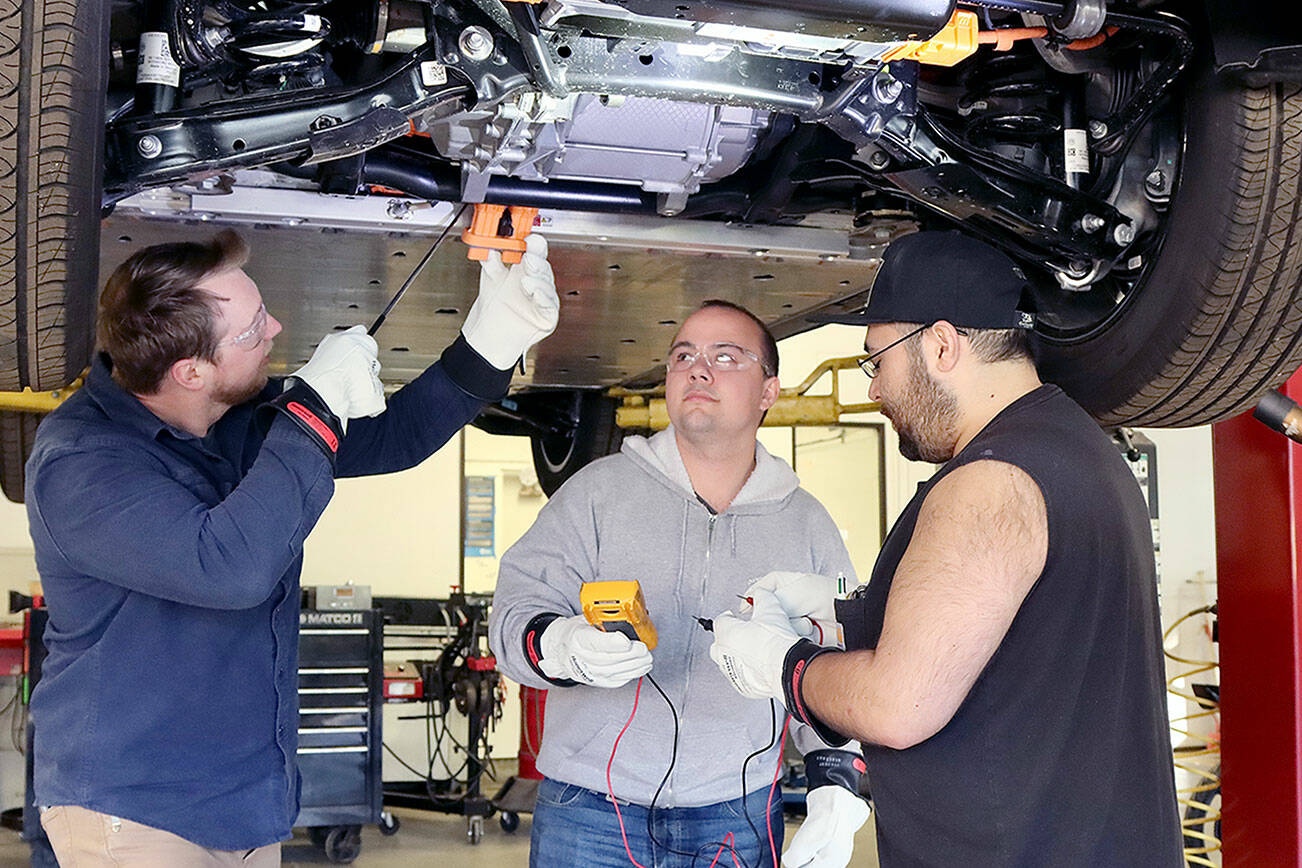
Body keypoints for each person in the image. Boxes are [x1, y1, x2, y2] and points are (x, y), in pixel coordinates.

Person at [25, 228, 558, 865]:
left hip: (246, 803)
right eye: (253, 329)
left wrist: (493, 338)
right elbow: (229, 567)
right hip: (136, 807)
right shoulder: (84, 464)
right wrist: (312, 410)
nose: (276, 327)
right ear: (191, 370)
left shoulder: (232, 417)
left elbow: (393, 438)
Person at [707, 230, 1183, 867]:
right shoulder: (1079, 450)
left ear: (939, 344)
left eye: (877, 360)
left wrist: (785, 666)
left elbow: (898, 705)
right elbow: (1022, 638)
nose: (874, 389)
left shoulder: (989, 481)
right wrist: (850, 612)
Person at [489, 299, 872, 868]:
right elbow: (516, 610)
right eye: (683, 356)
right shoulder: (597, 494)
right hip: (589, 809)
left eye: (726, 356)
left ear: (769, 391)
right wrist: (559, 646)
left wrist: (838, 782)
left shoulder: (806, 524)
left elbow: (838, 666)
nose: (698, 368)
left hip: (734, 813)